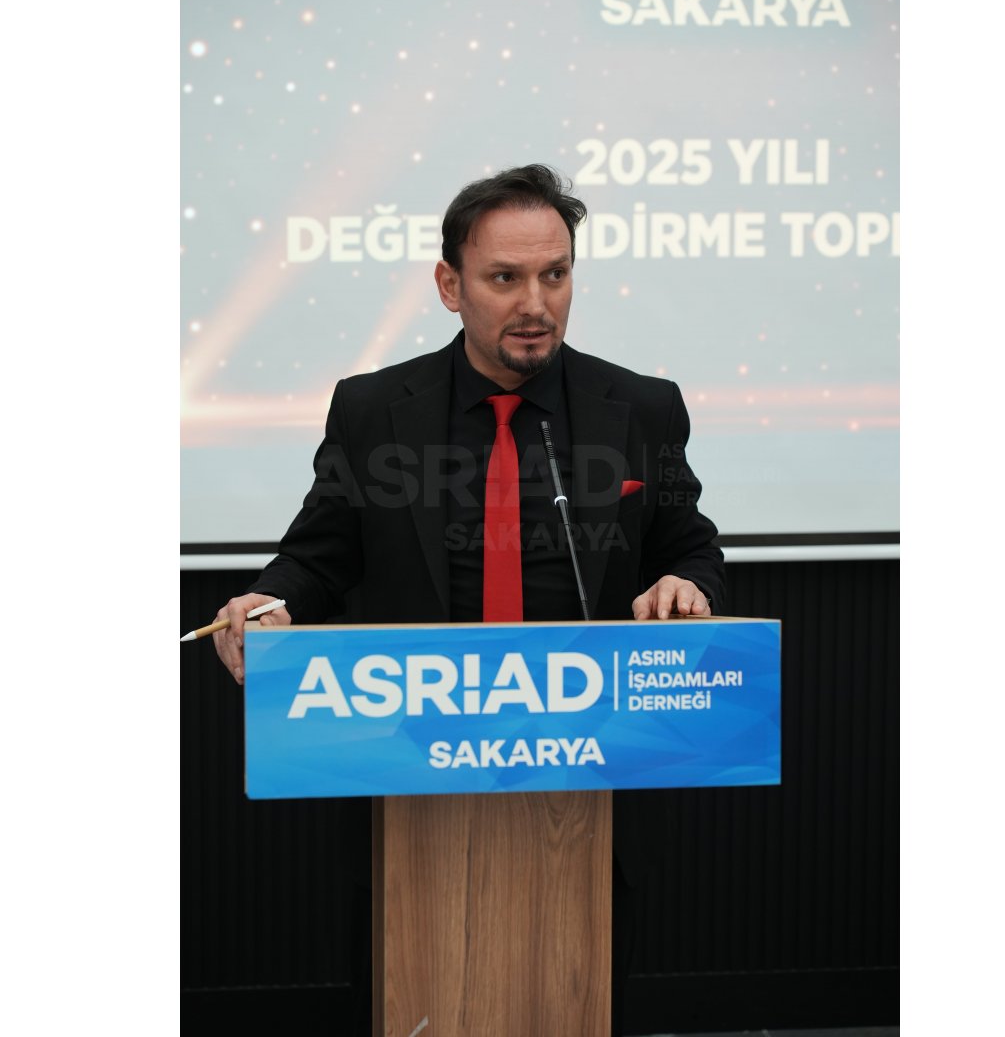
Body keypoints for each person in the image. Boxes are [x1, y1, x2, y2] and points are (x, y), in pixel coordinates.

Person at [211, 163, 725, 1034]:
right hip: (414, 772)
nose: (536, 303)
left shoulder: (639, 408)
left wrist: (691, 585)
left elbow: (689, 547)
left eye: (555, 274)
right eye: (505, 278)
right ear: (450, 286)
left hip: (585, 778)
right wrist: (269, 599)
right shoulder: (375, 410)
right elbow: (319, 553)